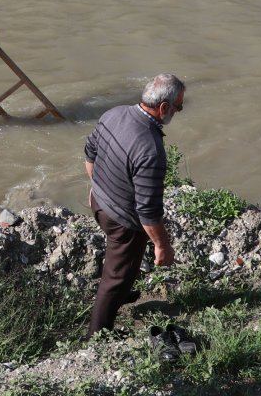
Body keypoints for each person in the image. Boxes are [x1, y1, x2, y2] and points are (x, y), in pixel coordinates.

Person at [84, 73, 186, 336]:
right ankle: (98, 335)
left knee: (124, 266)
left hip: (98, 203)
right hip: (121, 221)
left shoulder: (114, 114)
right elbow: (148, 212)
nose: (177, 112)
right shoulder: (150, 148)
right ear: (163, 107)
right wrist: (162, 246)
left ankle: (122, 291)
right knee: (113, 279)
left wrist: (97, 187)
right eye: (178, 107)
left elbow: (90, 153)